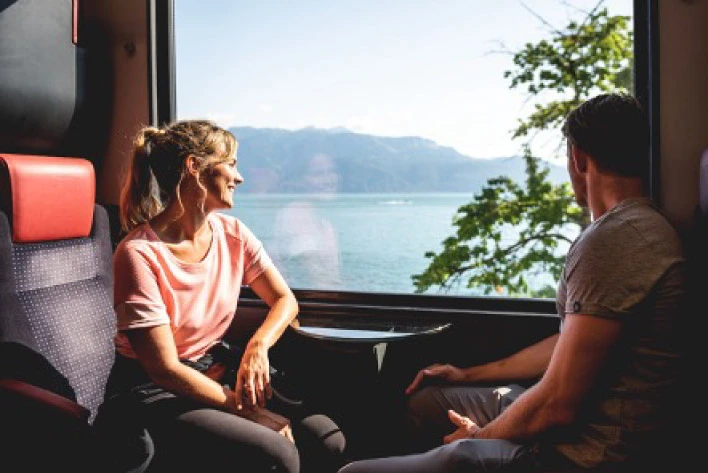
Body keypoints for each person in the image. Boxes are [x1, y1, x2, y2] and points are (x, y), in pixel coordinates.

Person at [338, 93, 687, 473]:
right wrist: (467, 374)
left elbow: (557, 405)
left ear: (577, 158)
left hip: (578, 455)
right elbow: (574, 341)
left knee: (351, 472)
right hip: (576, 426)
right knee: (428, 399)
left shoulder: (616, 238)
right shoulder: (642, 227)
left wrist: (479, 437)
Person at [96, 120, 346, 473]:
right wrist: (246, 410)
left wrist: (257, 347)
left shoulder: (233, 233)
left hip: (213, 368)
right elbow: (163, 369)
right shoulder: (138, 253)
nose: (238, 177)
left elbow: (285, 301)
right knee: (279, 454)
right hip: (155, 391)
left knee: (326, 439)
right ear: (194, 167)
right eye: (230, 163)